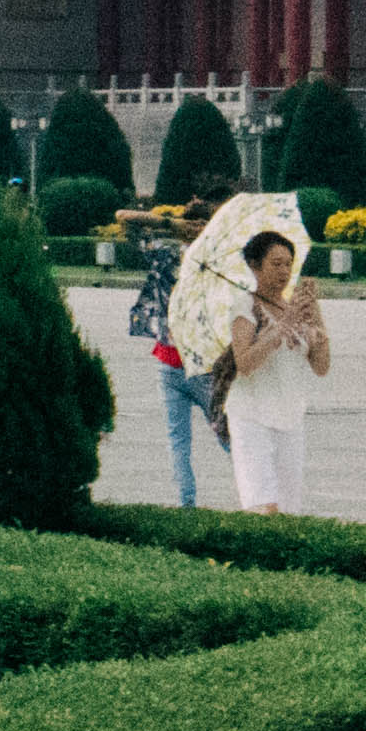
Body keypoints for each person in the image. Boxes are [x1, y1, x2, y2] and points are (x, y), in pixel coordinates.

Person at [216, 228, 326, 510]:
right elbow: (245, 363)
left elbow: (321, 367)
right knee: (264, 506)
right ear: (255, 266)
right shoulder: (245, 306)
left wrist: (316, 318)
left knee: (289, 509)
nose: (284, 271)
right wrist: (280, 328)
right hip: (252, 417)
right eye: (276, 264)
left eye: (288, 264)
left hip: (290, 417)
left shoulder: (295, 308)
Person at [123, 203, 205, 507]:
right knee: (228, 435)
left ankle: (187, 506)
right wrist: (177, 226)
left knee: (179, 442)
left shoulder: (165, 255)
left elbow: (125, 219)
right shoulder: (217, 261)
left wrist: (171, 225)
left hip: (173, 360)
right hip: (201, 363)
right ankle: (258, 500)